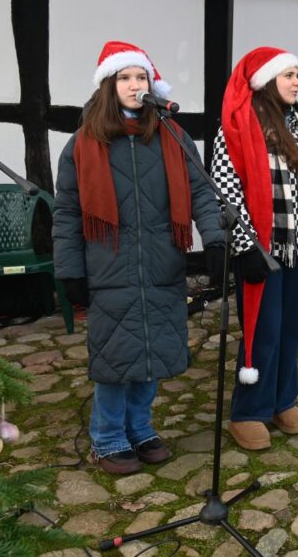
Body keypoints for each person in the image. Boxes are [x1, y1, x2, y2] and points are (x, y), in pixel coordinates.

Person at [54, 40, 225, 474]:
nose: (134, 85)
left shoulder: (170, 134)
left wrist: (217, 241)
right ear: (108, 86)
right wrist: (70, 271)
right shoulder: (81, 145)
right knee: (115, 358)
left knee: (150, 352)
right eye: (125, 78)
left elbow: (203, 190)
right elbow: (67, 214)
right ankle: (108, 436)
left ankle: (141, 427)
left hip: (161, 262)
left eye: (141, 77)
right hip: (108, 267)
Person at [211, 46, 298, 450]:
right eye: (289, 75)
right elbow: (226, 193)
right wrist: (245, 247)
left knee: (291, 328)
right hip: (261, 250)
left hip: (297, 245)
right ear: (266, 81)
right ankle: (249, 410)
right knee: (262, 332)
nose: (297, 82)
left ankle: (283, 400)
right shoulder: (237, 125)